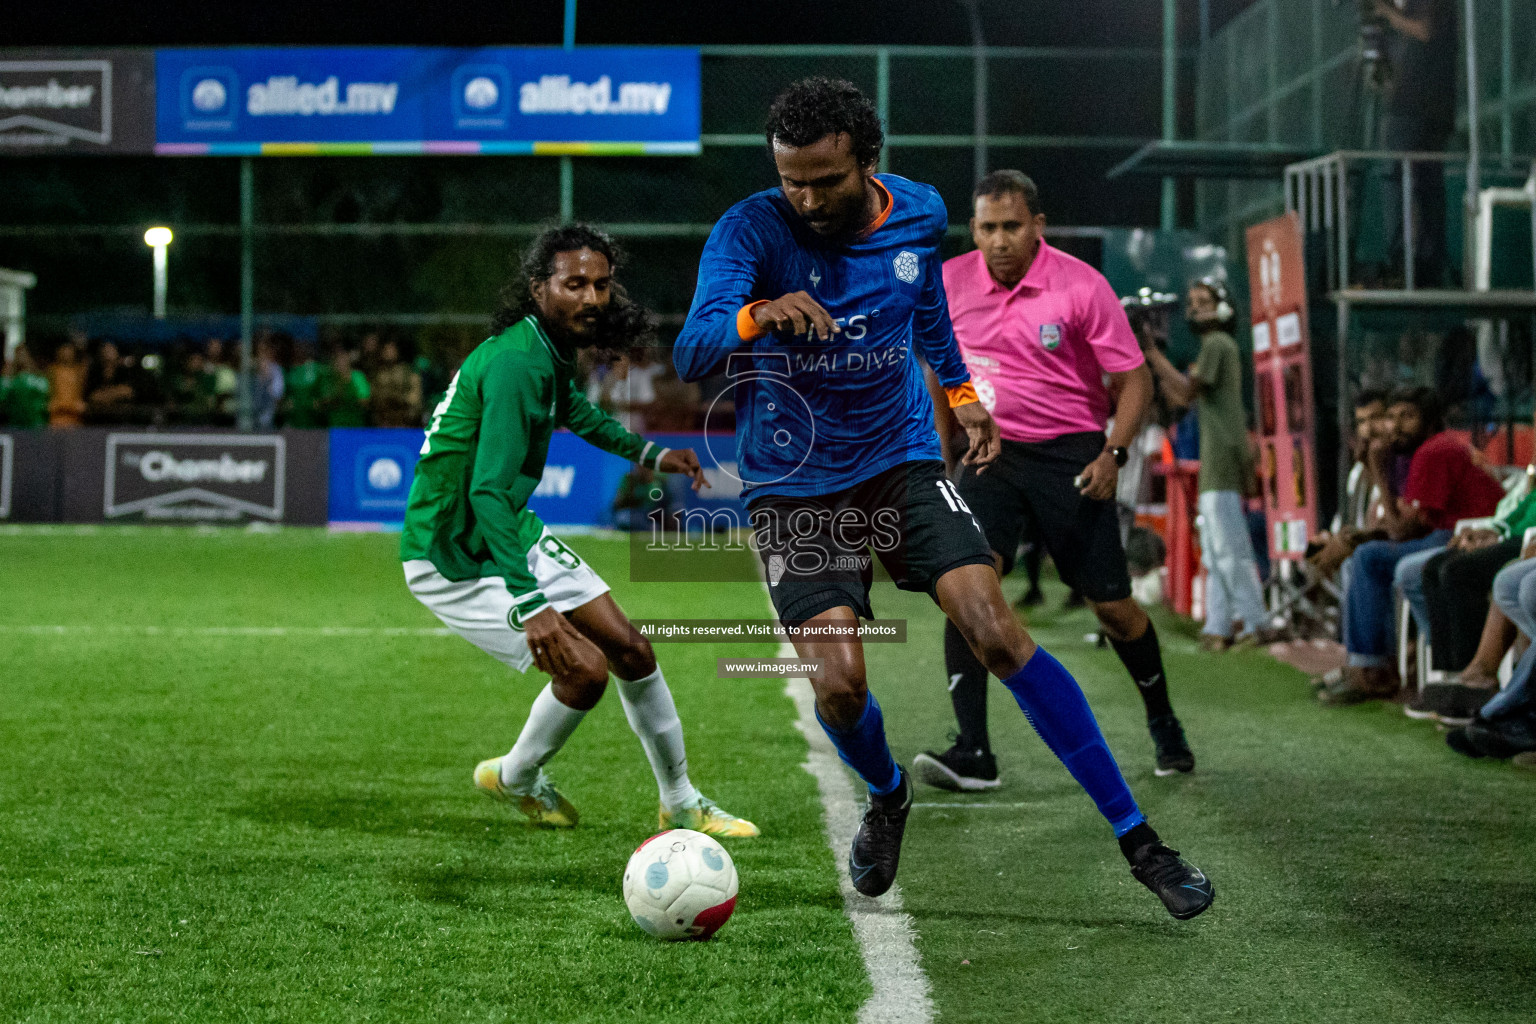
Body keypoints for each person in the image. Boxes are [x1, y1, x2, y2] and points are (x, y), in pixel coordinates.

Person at [673, 77, 1212, 918]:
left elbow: (926, 309)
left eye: (824, 179)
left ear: (867, 161)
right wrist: (758, 314)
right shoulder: (751, 228)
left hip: (899, 461)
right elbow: (692, 346)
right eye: (791, 180)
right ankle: (888, 796)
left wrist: (960, 396)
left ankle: (1140, 840)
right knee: (841, 687)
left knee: (996, 629)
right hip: (794, 487)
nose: (806, 198)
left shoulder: (920, 212)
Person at [401, 223, 757, 839]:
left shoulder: (545, 348)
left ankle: (681, 803)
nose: (592, 298)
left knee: (632, 651)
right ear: (540, 288)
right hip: (453, 554)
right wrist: (532, 602)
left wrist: (652, 455)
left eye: (601, 284)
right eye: (574, 284)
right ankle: (515, 776)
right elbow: (485, 488)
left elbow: (579, 415)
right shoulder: (516, 362)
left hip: (504, 528)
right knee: (585, 671)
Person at [908, 169, 1193, 790]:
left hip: (1072, 456)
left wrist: (1112, 456)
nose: (1000, 240)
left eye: (1012, 226)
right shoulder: (949, 282)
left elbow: (1134, 380)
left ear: (1038, 227)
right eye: (987, 228)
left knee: (1115, 609)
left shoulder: (1082, 285)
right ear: (974, 230)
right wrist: (940, 449)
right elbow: (936, 370)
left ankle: (1164, 722)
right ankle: (974, 751)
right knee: (966, 587)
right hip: (990, 453)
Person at [1322, 387, 1504, 704]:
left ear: (1431, 421)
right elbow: (1400, 522)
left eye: (1407, 416)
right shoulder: (1414, 452)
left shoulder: (1434, 450)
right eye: (1392, 417)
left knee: (1371, 559)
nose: (1395, 426)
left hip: (1469, 535)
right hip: (1447, 533)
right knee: (1364, 558)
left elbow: (1405, 529)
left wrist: (1376, 471)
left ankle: (1378, 669)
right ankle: (1372, 664)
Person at [1146, 278, 1274, 650]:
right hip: (1218, 457)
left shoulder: (1218, 343)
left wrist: (1153, 356)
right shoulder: (1215, 347)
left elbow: (1185, 392)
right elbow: (1181, 396)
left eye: (1203, 301)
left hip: (1222, 459)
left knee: (1228, 548)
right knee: (1218, 548)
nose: (1195, 308)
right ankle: (1218, 626)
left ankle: (1256, 621)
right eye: (1193, 301)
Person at [1369, 0, 1458, 288]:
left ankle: (1402, 261)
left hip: (1414, 109)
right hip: (1431, 108)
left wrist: (1388, 13)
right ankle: (1428, 264)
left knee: (1396, 177)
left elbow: (1423, 29)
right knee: (1427, 184)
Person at [369, 338, 424, 427]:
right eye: (386, 349)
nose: (388, 352)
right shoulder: (379, 374)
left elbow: (415, 399)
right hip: (384, 423)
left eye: (391, 349)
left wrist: (400, 399)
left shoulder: (409, 373)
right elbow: (374, 397)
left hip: (405, 423)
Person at [1, 346, 50, 428]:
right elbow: (3, 398)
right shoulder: (9, 379)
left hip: (35, 424)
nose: (21, 357)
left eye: (24, 354)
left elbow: (44, 400)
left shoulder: (38, 378)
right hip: (13, 425)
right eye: (18, 354)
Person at [45, 339, 88, 429]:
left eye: (69, 350)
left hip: (74, 417)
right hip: (56, 417)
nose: (66, 353)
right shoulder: (52, 371)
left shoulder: (78, 371)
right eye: (63, 350)